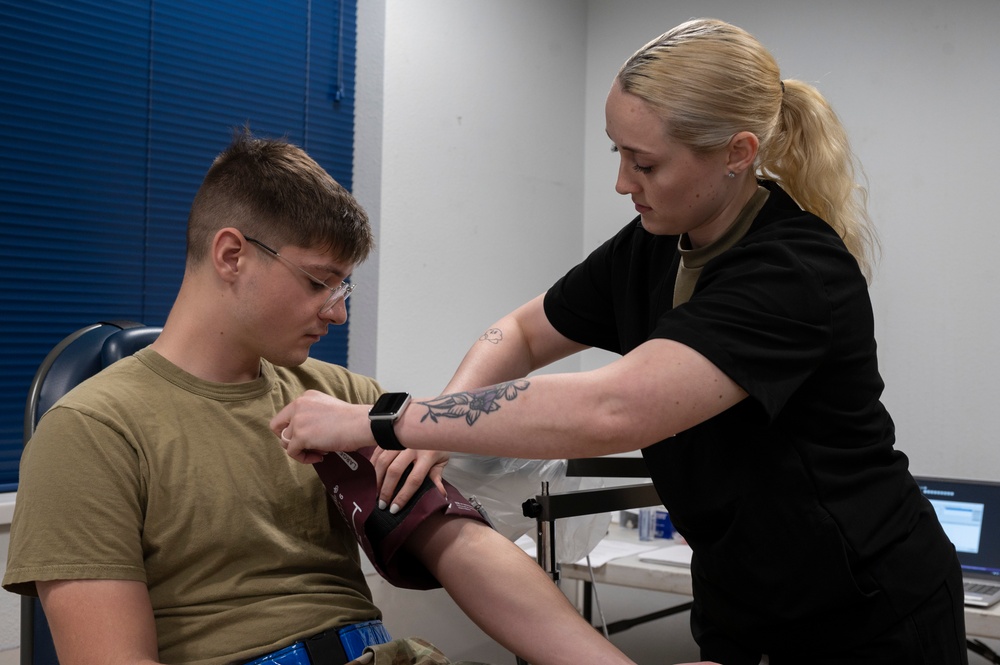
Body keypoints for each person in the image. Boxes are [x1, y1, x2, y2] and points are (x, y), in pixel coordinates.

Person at [271, 18, 969, 665]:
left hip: (866, 610)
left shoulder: (794, 271)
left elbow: (614, 409)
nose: (620, 181)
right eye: (618, 152)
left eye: (645, 163)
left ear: (738, 153)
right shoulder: (653, 244)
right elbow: (517, 331)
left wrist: (385, 418)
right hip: (743, 601)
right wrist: (442, 419)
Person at [2, 131, 641, 665]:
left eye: (346, 289)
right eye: (319, 282)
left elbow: (461, 549)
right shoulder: (93, 431)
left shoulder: (345, 403)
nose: (336, 314)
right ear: (231, 254)